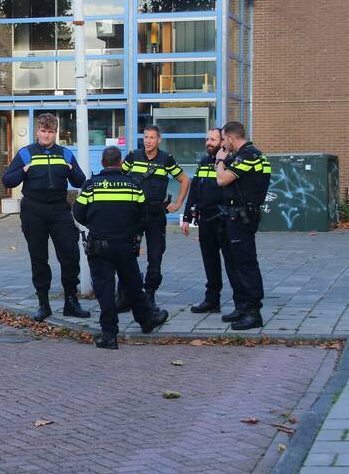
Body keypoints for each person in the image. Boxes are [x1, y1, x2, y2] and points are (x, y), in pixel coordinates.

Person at [1, 113, 90, 322]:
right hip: (34, 210)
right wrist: (23, 170)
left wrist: (71, 169)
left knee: (70, 255)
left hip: (60, 210)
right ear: (37, 131)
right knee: (39, 258)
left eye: (50, 132)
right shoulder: (26, 154)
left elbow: (80, 181)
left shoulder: (65, 154)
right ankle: (44, 304)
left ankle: (71, 302)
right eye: (43, 131)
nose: (46, 135)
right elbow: (7, 181)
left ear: (55, 132)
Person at [73, 147, 158, 349]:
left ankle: (109, 335)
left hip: (99, 246)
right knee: (134, 286)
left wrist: (95, 223)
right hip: (126, 245)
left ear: (102, 162)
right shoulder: (133, 185)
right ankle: (146, 322)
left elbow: (78, 212)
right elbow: (143, 213)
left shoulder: (91, 186)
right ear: (120, 163)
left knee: (105, 291)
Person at [121, 126, 190, 318]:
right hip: (134, 214)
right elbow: (119, 177)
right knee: (127, 253)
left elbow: (185, 180)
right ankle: (125, 295)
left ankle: (149, 296)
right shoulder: (133, 157)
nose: (148, 141)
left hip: (155, 215)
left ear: (159, 140)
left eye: (152, 137)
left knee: (155, 255)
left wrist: (178, 203)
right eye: (145, 137)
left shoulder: (165, 159)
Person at [214, 121, 272, 330]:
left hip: (242, 217)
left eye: (224, 139)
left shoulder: (248, 156)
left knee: (246, 263)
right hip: (236, 216)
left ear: (231, 138)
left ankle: (253, 311)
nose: (223, 144)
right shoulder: (247, 155)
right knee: (234, 262)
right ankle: (242, 306)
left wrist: (220, 161)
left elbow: (222, 180)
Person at [182, 128, 235, 316]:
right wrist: (187, 216)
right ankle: (212, 300)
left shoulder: (230, 162)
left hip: (224, 221)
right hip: (205, 221)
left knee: (232, 262)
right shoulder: (204, 162)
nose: (208, 142)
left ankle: (240, 303)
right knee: (210, 262)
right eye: (207, 139)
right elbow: (195, 190)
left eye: (212, 139)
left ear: (222, 142)